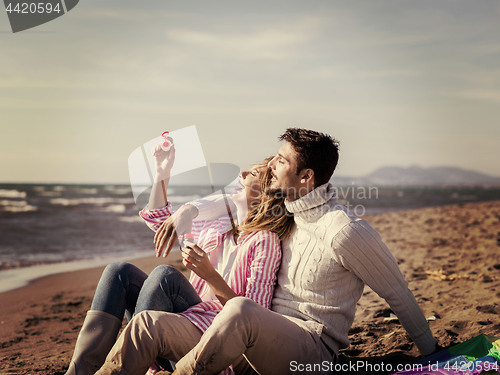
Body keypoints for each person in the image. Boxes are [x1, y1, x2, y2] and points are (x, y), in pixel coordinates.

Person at [153, 127, 439, 374]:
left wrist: (434, 355)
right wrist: (187, 210)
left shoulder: (343, 231)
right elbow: (237, 197)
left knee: (239, 309)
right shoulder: (289, 217)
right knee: (149, 320)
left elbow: (398, 293)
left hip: (312, 351)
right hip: (264, 337)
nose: (271, 167)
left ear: (306, 177)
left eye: (280, 161)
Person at [65, 137, 293, 375]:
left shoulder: (264, 241)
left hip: (210, 339)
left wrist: (210, 275)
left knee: (166, 275)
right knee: (119, 272)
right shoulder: (219, 226)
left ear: (264, 194)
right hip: (184, 320)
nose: (242, 173)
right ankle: (80, 371)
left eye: (253, 174)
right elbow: (161, 223)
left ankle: (140, 360)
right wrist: (162, 173)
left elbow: (253, 317)